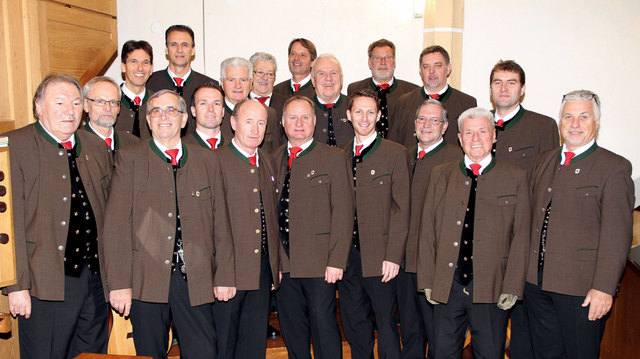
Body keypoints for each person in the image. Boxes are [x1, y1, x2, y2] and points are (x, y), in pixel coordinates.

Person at [103, 89, 235, 359]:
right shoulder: (130, 160)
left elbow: (221, 221)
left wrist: (224, 275)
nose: (164, 117)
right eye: (156, 111)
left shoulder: (207, 160)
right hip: (145, 280)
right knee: (150, 352)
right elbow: (116, 227)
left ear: (184, 118)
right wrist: (118, 284)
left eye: (171, 110)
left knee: (204, 351)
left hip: (195, 278)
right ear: (149, 121)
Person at [5, 73, 113, 358]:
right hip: (44, 285)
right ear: (38, 107)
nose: (70, 111)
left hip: (95, 284)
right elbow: (6, 224)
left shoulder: (95, 146)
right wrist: (16, 287)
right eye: (60, 102)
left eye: (77, 103)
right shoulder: (12, 147)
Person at [525, 90, 633, 359]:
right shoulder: (544, 160)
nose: (575, 123)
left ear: (596, 123)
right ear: (560, 121)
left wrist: (604, 288)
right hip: (537, 287)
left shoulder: (614, 167)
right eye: (568, 116)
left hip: (583, 291)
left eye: (583, 117)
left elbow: (617, 236)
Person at [417, 107, 530, 359]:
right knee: (443, 353)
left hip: (492, 287)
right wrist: (427, 280)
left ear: (494, 135)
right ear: (459, 137)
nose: (475, 138)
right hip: (448, 285)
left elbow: (521, 236)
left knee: (490, 352)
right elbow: (427, 232)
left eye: (482, 131)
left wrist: (512, 285)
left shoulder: (515, 176)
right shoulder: (440, 175)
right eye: (469, 132)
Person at [488, 59, 559, 358]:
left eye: (511, 82)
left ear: (523, 89)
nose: (504, 89)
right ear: (490, 88)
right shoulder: (477, 123)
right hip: (485, 241)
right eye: (498, 82)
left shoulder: (543, 126)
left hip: (523, 241)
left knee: (525, 328)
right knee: (487, 325)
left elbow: (549, 186)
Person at [274, 96, 354, 359]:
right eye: (293, 118)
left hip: (321, 264)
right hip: (284, 263)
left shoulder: (332, 157)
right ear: (283, 122)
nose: (299, 123)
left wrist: (336, 261)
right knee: (292, 326)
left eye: (305, 117)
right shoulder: (271, 158)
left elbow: (343, 212)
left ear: (314, 121)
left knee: (324, 325)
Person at [339, 90, 409, 359]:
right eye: (358, 111)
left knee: (386, 323)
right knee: (354, 320)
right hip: (348, 257)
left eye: (371, 112)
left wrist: (393, 256)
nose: (364, 118)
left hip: (381, 257)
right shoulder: (339, 155)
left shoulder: (395, 153)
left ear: (379, 116)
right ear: (348, 115)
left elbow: (402, 209)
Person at [212, 99, 281, 358]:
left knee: (254, 345)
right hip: (230, 273)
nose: (255, 129)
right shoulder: (215, 161)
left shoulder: (267, 159)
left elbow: (271, 218)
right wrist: (222, 275)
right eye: (248, 122)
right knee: (225, 344)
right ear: (233, 123)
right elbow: (211, 224)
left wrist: (275, 266)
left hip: (261, 271)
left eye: (261, 123)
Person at [403, 99, 460, 359]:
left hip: (436, 265)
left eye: (434, 120)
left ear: (445, 126)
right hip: (403, 264)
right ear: (414, 124)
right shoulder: (403, 155)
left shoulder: (456, 160)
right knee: (411, 333)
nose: (427, 125)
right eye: (422, 119)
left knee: (440, 336)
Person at [388, 45, 476, 147]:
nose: (431, 71)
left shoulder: (466, 104)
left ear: (448, 69)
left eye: (437, 65)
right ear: (420, 71)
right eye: (426, 67)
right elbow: (393, 146)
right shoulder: (404, 103)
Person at [146, 24, 217, 135]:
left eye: (185, 45)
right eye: (174, 44)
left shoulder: (208, 85)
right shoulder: (150, 83)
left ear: (193, 50)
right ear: (166, 49)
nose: (179, 50)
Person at [347, 39, 418, 138]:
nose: (383, 62)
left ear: (394, 62)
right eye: (377, 58)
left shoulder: (411, 91)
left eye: (388, 57)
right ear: (369, 63)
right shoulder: (355, 89)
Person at [219, 57, 281, 152]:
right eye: (231, 80)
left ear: (251, 83)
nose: (238, 86)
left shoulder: (269, 114)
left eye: (243, 80)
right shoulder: (214, 115)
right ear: (222, 83)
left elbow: (276, 155)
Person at [82, 76, 139, 156]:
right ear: (85, 105)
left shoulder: (133, 144)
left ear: (119, 108)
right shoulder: (77, 142)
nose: (108, 108)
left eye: (113, 102)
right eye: (100, 101)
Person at [310, 54, 354, 147]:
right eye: (321, 73)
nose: (328, 78)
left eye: (333, 73)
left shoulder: (355, 107)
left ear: (341, 79)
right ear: (313, 80)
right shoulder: (303, 110)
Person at [116, 40, 154, 139]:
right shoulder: (110, 102)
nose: (140, 68)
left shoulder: (157, 103)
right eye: (133, 62)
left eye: (145, 63)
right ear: (123, 67)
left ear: (151, 69)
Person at [184, 81, 226, 150]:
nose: (211, 109)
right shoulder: (182, 148)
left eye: (216, 104)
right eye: (203, 103)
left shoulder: (236, 146)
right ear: (193, 111)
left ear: (223, 111)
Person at [249, 52, 286, 122]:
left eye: (269, 74)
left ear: (274, 78)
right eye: (260, 72)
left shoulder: (286, 105)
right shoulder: (241, 102)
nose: (265, 78)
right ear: (250, 75)